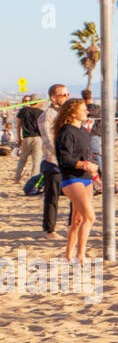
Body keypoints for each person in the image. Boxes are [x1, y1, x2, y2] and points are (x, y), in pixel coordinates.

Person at [53, 97, 96, 261]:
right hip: (71, 179)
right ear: (72, 112)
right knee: (90, 217)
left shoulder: (84, 131)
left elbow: (87, 155)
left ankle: (68, 255)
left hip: (86, 179)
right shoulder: (66, 132)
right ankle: (81, 255)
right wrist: (86, 165)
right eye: (83, 108)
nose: (87, 111)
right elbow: (65, 159)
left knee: (77, 219)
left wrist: (94, 172)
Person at [38, 84, 71, 238]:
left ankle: (72, 226)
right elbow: (49, 141)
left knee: (75, 197)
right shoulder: (47, 116)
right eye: (63, 95)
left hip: (70, 162)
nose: (66, 97)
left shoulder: (67, 115)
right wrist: (63, 157)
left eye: (67, 94)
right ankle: (50, 230)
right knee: (52, 198)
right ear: (53, 97)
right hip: (53, 163)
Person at [13, 94, 43, 184]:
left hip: (26, 137)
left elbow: (18, 126)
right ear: (37, 102)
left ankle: (17, 178)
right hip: (37, 137)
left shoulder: (23, 111)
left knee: (22, 159)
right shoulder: (40, 112)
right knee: (36, 160)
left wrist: (19, 139)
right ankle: (33, 180)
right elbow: (42, 127)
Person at [80, 88, 103, 162]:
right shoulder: (97, 108)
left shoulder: (81, 109)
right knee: (96, 154)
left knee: (86, 154)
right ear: (91, 96)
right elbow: (100, 121)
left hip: (83, 133)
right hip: (94, 133)